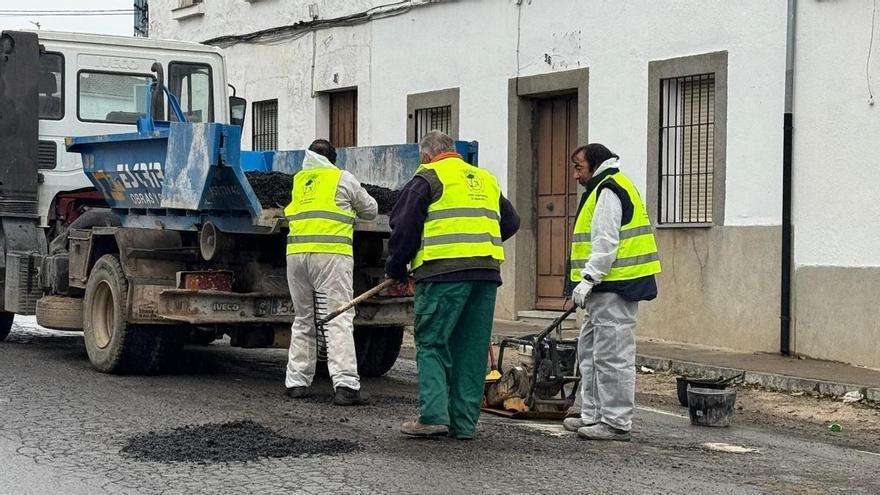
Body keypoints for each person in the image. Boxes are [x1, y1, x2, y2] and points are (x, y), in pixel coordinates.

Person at [386, 130, 520, 439]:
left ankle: (433, 415)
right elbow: (511, 222)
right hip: (485, 275)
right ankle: (463, 424)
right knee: (471, 350)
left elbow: (403, 227)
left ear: (425, 156)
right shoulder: (484, 179)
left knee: (432, 342)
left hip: (442, 275)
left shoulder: (427, 179)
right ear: (454, 151)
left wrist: (395, 268)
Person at [563, 143, 661, 441]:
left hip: (614, 286)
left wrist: (588, 279)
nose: (575, 176)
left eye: (579, 168)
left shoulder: (608, 190)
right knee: (591, 353)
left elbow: (606, 241)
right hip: (607, 287)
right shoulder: (607, 187)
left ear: (594, 165)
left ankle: (616, 422)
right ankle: (593, 415)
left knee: (612, 355)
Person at [284, 139, 378, 406]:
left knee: (304, 318)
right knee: (338, 317)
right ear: (333, 159)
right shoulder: (342, 178)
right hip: (330, 257)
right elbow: (370, 211)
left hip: (296, 257)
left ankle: (297, 382)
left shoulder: (300, 181)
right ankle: (346, 385)